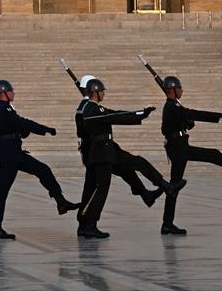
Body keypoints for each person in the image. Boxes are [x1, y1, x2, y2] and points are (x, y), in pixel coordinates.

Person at [77, 78, 185, 239]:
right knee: (102, 189)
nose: (104, 94)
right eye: (102, 92)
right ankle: (90, 226)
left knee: (135, 164)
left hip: (108, 150)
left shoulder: (94, 109)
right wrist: (138, 115)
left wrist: (140, 114)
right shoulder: (91, 110)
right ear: (95, 93)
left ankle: (160, 187)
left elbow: (116, 114)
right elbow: (114, 117)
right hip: (102, 153)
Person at [159, 75, 222, 235]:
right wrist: (218, 115)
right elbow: (192, 114)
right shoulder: (172, 107)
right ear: (172, 90)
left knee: (174, 186)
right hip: (178, 149)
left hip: (179, 148)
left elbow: (178, 123)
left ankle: (167, 224)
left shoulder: (173, 107)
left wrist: (185, 123)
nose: (182, 90)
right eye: (179, 88)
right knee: (211, 156)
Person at [0, 79, 80, 240]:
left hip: (14, 153)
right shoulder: (4, 109)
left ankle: (61, 201)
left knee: (43, 170)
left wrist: (23, 130)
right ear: (4, 93)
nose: (14, 93)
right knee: (2, 191)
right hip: (10, 156)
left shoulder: (6, 109)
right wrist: (45, 129)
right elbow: (23, 122)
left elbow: (20, 128)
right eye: (11, 91)